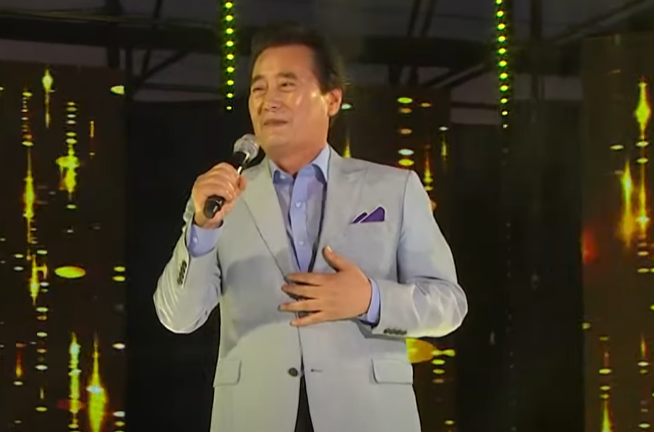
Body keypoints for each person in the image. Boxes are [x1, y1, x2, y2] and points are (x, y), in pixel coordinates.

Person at [153, 21, 468, 432]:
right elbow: (177, 317)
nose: (268, 101)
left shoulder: (394, 188)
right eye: (259, 88)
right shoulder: (222, 198)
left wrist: (370, 299)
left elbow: (448, 304)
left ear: (332, 99)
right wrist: (201, 229)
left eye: (286, 85)